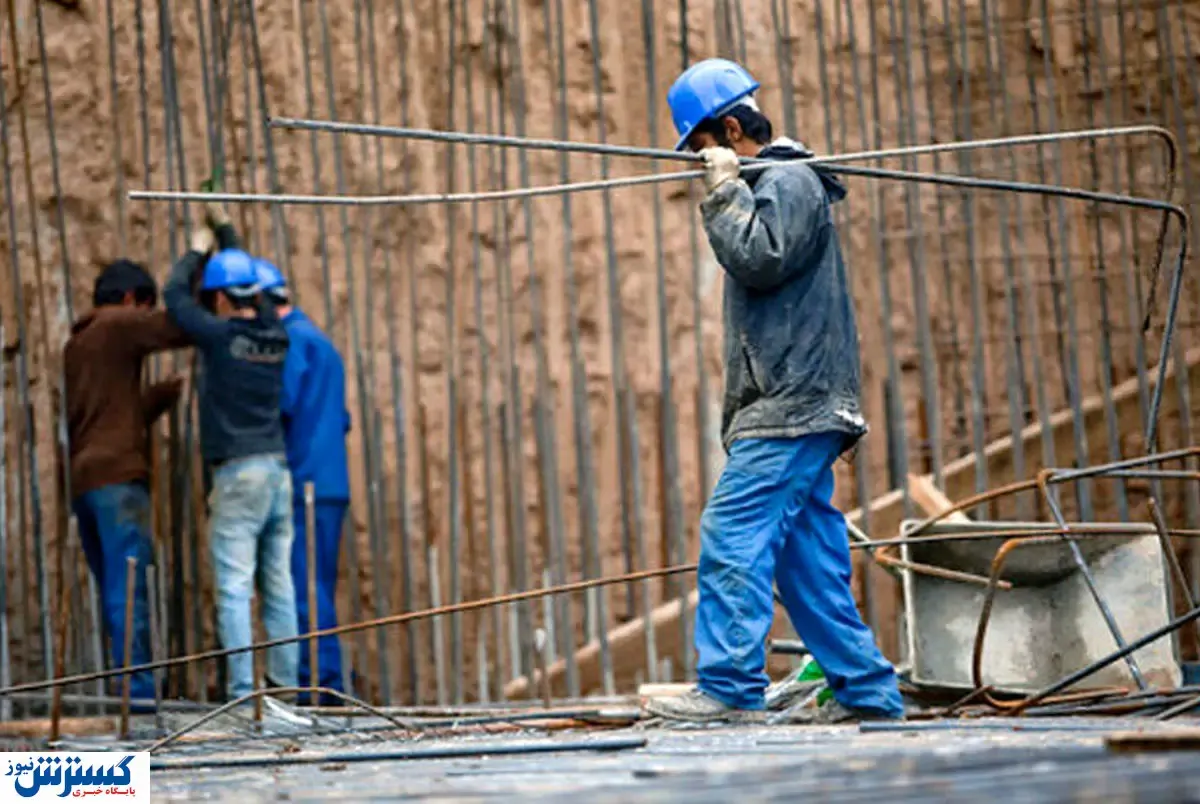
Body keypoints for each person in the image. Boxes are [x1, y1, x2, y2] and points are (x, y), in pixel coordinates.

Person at [644, 58, 904, 724]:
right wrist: (734, 185)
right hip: (797, 401)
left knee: (733, 532)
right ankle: (867, 691)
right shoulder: (776, 181)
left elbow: (758, 260)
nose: (696, 165)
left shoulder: (788, 179)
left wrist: (725, 193)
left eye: (702, 149)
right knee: (807, 560)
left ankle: (729, 687)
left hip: (790, 404)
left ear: (730, 128)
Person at [163, 206, 298, 702]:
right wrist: (227, 235)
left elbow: (175, 298)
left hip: (239, 473)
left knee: (235, 587)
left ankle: (244, 694)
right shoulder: (275, 334)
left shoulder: (221, 339)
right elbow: (253, 290)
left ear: (220, 297)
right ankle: (283, 689)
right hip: (277, 471)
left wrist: (199, 249)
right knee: (279, 585)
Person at [64, 260, 189, 710]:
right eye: (144, 308)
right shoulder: (117, 324)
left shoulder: (78, 342)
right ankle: (135, 697)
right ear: (132, 300)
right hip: (118, 480)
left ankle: (127, 690)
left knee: (114, 587)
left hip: (85, 480)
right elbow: (178, 327)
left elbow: (111, 414)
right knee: (128, 587)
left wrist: (159, 397)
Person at [253, 259, 352, 704]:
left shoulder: (290, 341)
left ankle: (322, 687)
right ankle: (324, 682)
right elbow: (341, 418)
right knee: (318, 584)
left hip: (304, 483)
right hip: (330, 480)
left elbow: (281, 402)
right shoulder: (322, 342)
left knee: (305, 586)